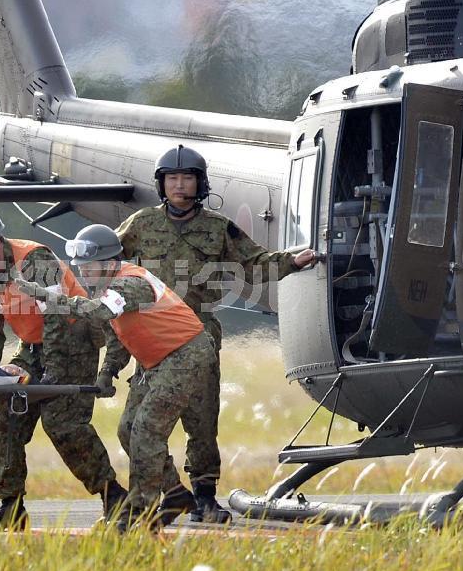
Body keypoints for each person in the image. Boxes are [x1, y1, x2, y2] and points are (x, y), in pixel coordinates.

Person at [114, 145, 316, 523]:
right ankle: (173, 491)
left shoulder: (218, 227)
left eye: (186, 178)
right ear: (161, 184)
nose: (178, 185)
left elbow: (255, 261)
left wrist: (293, 260)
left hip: (198, 332)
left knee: (201, 420)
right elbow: (106, 254)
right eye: (171, 178)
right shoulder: (141, 224)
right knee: (133, 425)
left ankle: (205, 498)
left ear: (199, 183)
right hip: (152, 334)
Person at [12, 224, 216, 532]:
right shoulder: (108, 288)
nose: (82, 271)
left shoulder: (130, 283)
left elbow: (97, 313)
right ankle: (173, 493)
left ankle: (138, 512)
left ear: (108, 262)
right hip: (157, 361)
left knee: (146, 431)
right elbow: (118, 336)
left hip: (185, 355)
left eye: (88, 265)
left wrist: (44, 295)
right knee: (127, 429)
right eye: (80, 265)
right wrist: (107, 372)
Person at [0, 206, 126, 530]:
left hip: (72, 340)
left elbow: (57, 316)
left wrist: (53, 375)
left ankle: (115, 498)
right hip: (31, 347)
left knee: (63, 424)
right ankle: (10, 506)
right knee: (8, 417)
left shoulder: (34, 261)